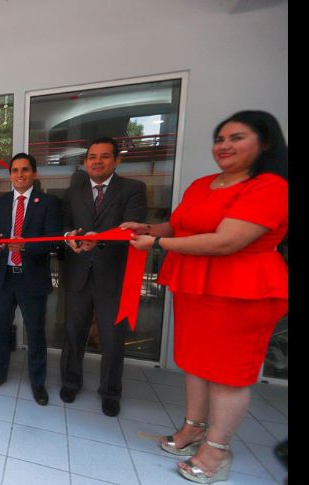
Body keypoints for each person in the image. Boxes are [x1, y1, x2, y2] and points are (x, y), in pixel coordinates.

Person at [123, 111, 288, 484]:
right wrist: (148, 228)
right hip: (195, 285)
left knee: (229, 374)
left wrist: (158, 243)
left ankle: (217, 451)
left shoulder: (269, 187)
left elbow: (228, 240)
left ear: (264, 144)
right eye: (220, 139)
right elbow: (179, 226)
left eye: (237, 138)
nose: (224, 146)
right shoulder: (202, 184)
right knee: (195, 363)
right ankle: (193, 428)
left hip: (242, 289)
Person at [58, 137, 148, 417]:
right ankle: (70, 382)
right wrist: (68, 237)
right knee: (74, 333)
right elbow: (65, 226)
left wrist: (102, 240)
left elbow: (133, 232)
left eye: (104, 156)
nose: (97, 161)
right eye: (92, 157)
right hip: (78, 273)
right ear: (85, 163)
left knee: (112, 338)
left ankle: (111, 392)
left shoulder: (133, 189)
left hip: (113, 274)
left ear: (116, 161)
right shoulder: (74, 191)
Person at [0, 153, 61, 405]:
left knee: (36, 332)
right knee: (0, 330)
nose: (19, 175)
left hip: (32, 278)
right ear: (10, 174)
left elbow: (53, 241)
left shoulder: (48, 203)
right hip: (4, 277)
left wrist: (25, 246)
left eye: (25, 170)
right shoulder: (0, 202)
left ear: (34, 173)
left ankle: (38, 383)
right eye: (15, 170)